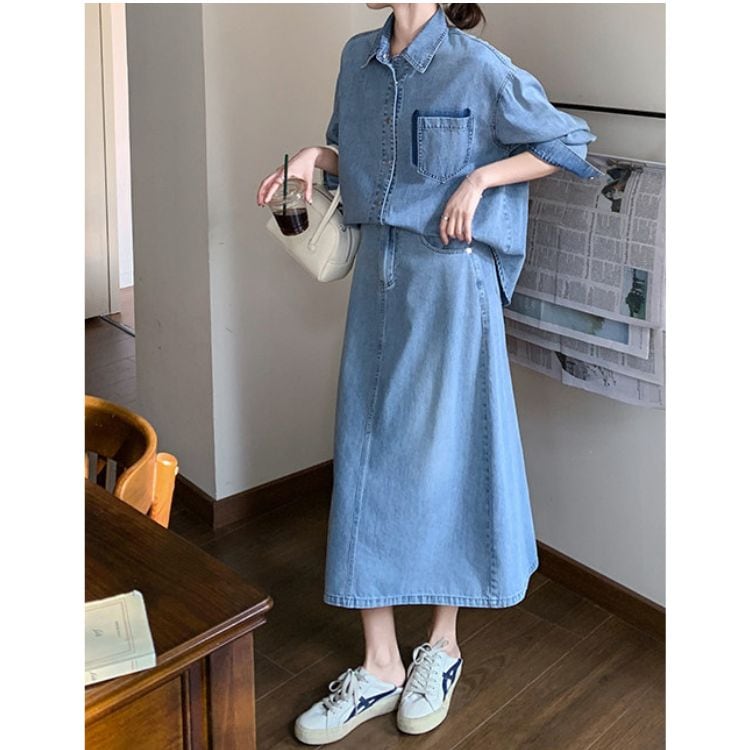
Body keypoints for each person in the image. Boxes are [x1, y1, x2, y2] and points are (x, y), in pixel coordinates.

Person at [256, 3, 604, 745]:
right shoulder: (356, 58)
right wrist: (315, 158)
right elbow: (366, 162)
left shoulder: (478, 66)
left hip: (451, 285)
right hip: (376, 285)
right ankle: (379, 663)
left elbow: (568, 142)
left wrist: (481, 179)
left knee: (450, 455)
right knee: (364, 455)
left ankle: (441, 647)